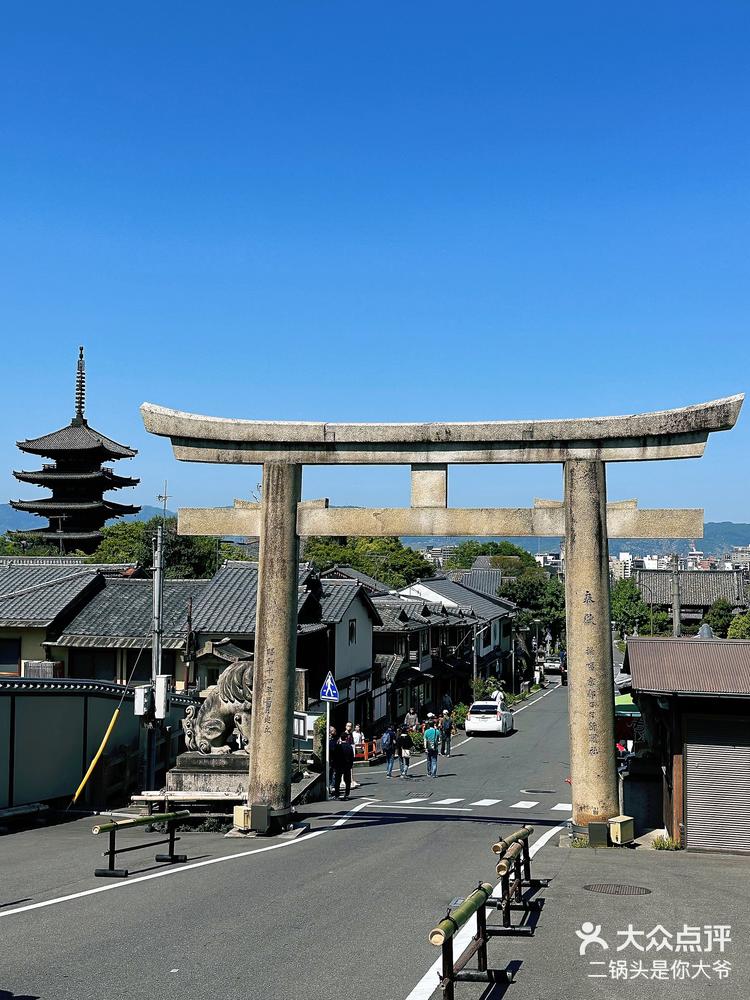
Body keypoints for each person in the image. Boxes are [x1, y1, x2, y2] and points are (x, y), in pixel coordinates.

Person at [332, 736, 355, 800]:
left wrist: (334, 765)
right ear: (346, 738)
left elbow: (334, 757)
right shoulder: (349, 747)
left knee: (337, 780)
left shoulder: (338, 747)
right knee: (347, 781)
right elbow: (352, 757)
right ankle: (346, 794)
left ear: (340, 739)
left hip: (339, 765)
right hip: (347, 766)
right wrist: (350, 765)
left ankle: (337, 795)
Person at [327, 726, 337, 794]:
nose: (335, 732)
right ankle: (331, 787)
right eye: (334, 731)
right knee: (331, 773)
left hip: (334, 759)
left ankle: (332, 786)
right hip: (330, 759)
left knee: (334, 774)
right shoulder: (329, 741)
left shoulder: (335, 739)